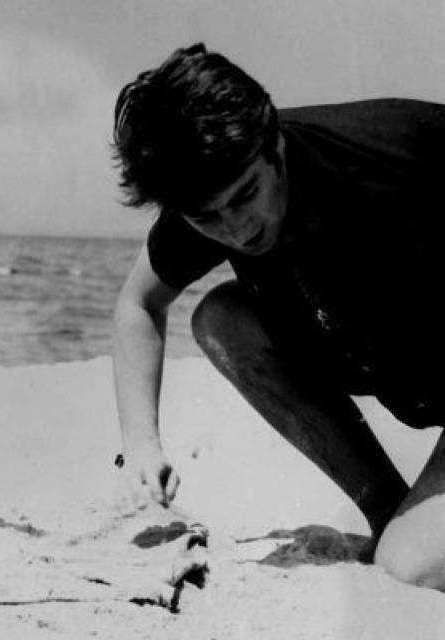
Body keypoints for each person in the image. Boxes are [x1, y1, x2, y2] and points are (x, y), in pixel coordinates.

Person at [110, 42, 445, 589]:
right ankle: (388, 509)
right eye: (209, 216)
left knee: (412, 567)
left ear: (275, 147)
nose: (237, 228)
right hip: (407, 354)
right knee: (221, 320)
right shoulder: (205, 188)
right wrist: (141, 446)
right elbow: (137, 305)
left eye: (247, 196)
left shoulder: (388, 156)